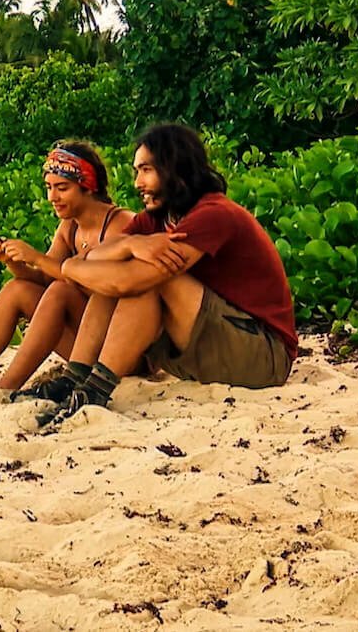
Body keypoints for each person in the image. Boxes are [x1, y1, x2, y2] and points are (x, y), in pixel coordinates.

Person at [21, 123, 297, 424]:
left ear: (175, 168)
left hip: (263, 356)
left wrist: (69, 267)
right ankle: (74, 379)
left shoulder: (214, 213)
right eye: (136, 171)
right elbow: (97, 257)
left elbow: (128, 280)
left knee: (152, 278)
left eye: (146, 170)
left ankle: (95, 391)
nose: (138, 182)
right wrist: (130, 244)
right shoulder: (154, 220)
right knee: (126, 273)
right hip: (202, 352)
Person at [0, 141, 130, 394]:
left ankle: (6, 387)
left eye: (62, 188)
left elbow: (103, 283)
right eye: (49, 187)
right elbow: (44, 279)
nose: (52, 197)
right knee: (17, 289)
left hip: (121, 350)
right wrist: (15, 263)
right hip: (83, 344)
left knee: (61, 291)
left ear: (88, 186)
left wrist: (37, 258)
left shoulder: (120, 223)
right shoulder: (69, 227)